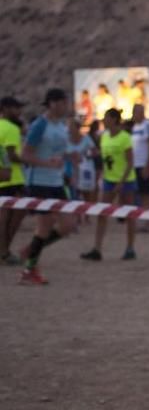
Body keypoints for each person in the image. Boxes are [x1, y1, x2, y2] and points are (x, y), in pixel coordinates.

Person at [18, 88, 73, 285]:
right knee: (44, 225)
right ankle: (29, 269)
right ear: (52, 103)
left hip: (57, 182)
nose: (66, 106)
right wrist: (46, 163)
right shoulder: (39, 125)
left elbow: (58, 151)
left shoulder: (61, 125)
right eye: (63, 103)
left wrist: (67, 162)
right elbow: (25, 155)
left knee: (68, 225)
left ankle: (31, 249)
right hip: (39, 181)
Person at [80, 108, 137, 261]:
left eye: (106, 118)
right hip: (109, 180)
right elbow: (105, 157)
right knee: (102, 213)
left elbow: (130, 161)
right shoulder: (104, 137)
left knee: (130, 214)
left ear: (114, 119)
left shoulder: (125, 138)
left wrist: (122, 181)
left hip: (126, 181)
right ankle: (97, 249)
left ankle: (130, 248)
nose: (103, 121)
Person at [0, 96, 27, 265]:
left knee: (4, 218)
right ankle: (4, 252)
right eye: (16, 108)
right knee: (13, 218)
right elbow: (10, 154)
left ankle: (3, 252)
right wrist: (30, 160)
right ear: (6, 109)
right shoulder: (11, 129)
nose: (19, 112)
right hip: (13, 179)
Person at [130, 104, 149, 212]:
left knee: (148, 194)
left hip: (145, 165)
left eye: (135, 112)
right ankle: (145, 216)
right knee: (142, 193)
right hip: (137, 164)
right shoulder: (135, 127)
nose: (133, 114)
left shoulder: (148, 126)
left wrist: (148, 165)